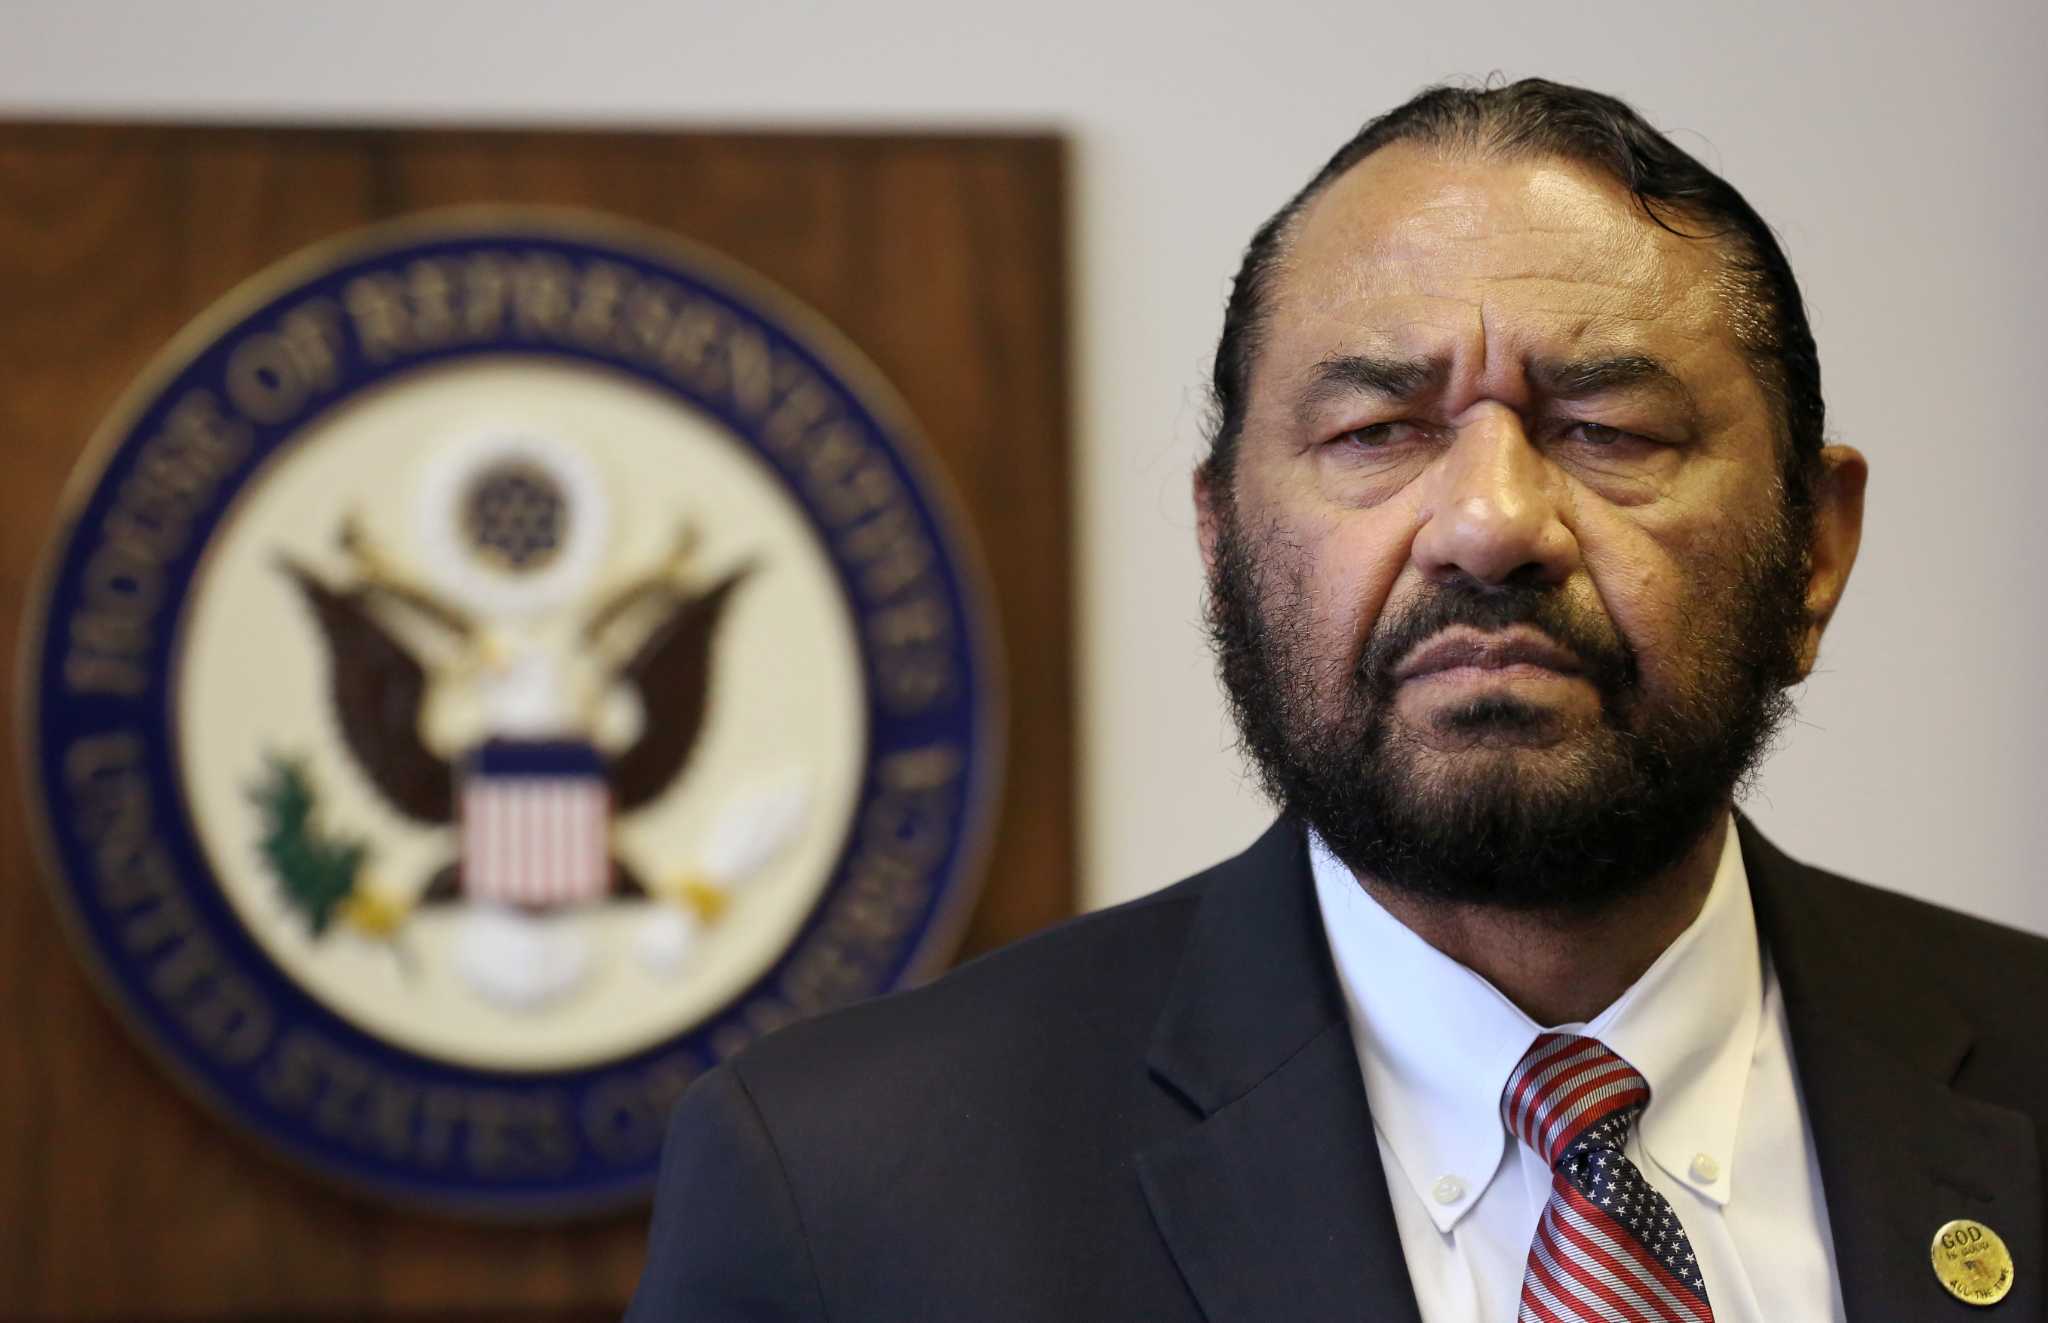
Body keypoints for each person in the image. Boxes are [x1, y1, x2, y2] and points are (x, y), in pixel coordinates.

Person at [626, 78, 2046, 1323]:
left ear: (1816, 550)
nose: (1489, 524)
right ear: (1222, 546)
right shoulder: (842, 1188)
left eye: (1606, 429)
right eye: (1377, 432)